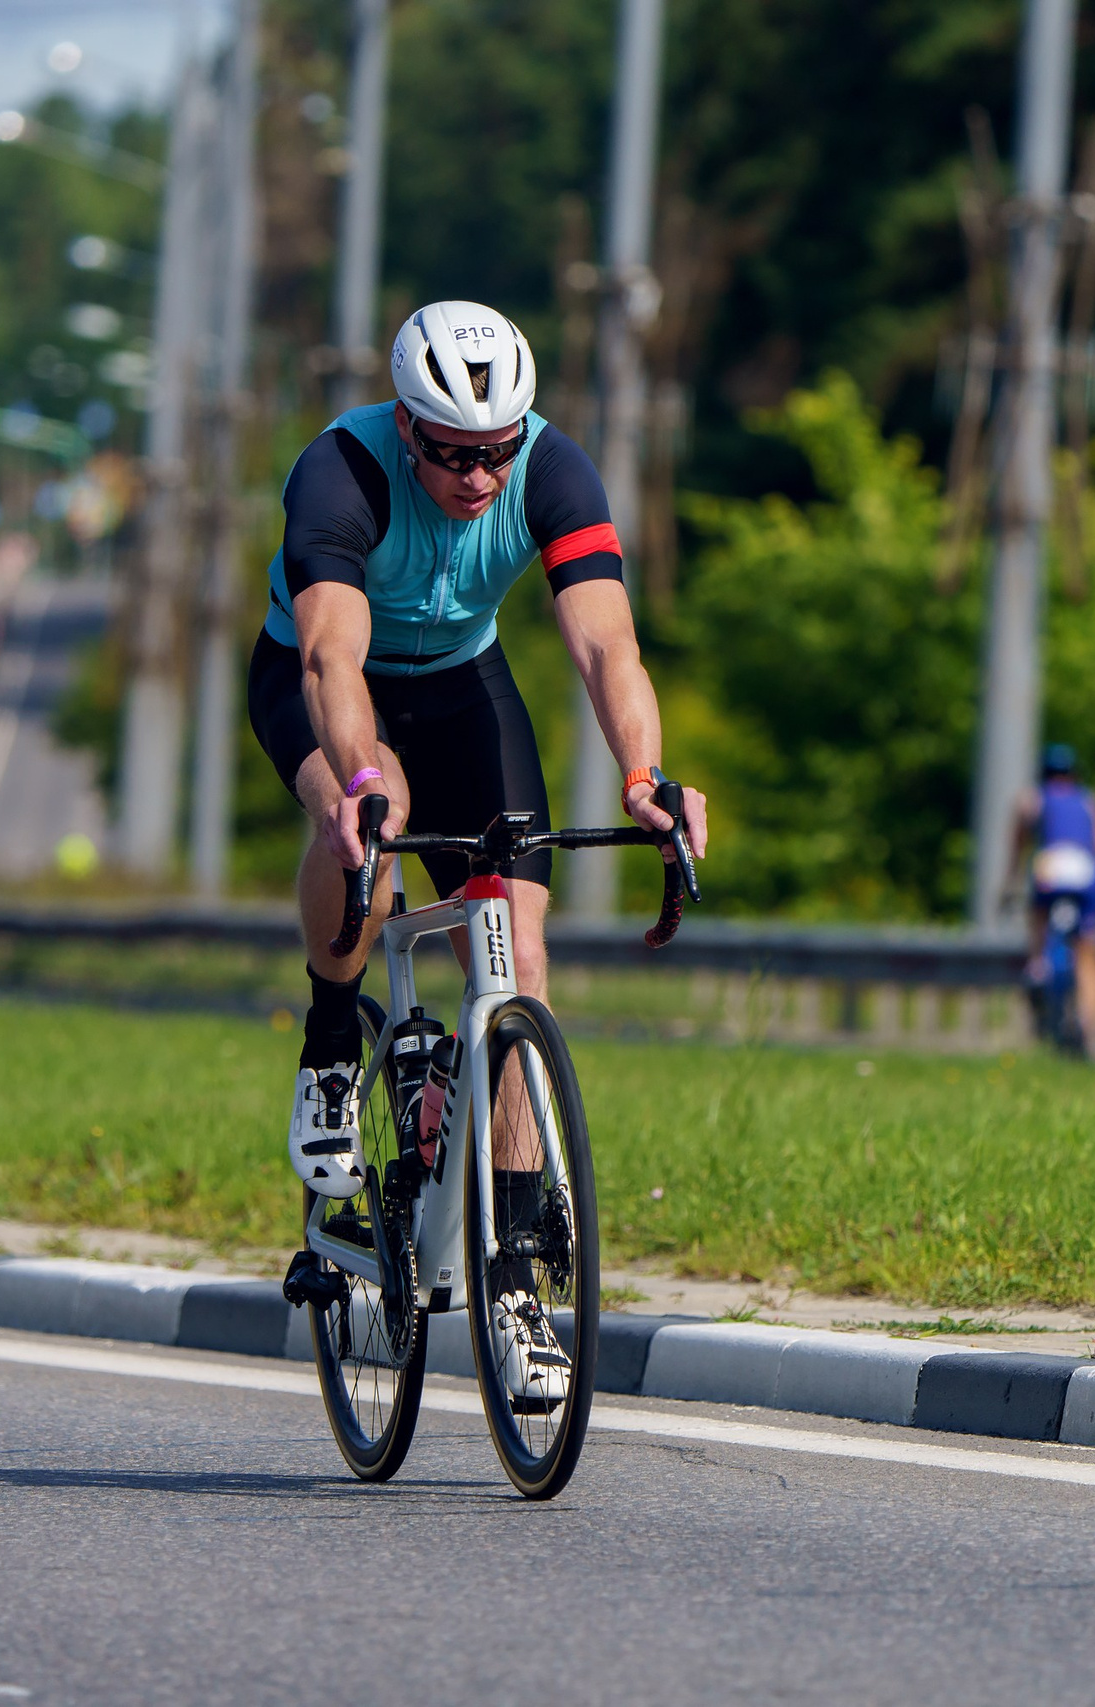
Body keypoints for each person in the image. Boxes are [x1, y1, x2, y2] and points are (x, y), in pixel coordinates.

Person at [251, 299, 709, 1401]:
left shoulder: (555, 469)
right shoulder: (339, 472)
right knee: (365, 815)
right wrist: (360, 779)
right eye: (452, 453)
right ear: (408, 430)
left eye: (494, 451)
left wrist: (643, 775)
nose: (475, 476)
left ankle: (512, 1284)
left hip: (464, 688)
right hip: (326, 686)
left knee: (517, 961)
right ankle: (328, 1042)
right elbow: (329, 657)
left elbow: (605, 643)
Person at [1011, 744, 1095, 1053]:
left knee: (1038, 915)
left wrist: (1010, 882)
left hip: (1051, 870)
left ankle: (1037, 965)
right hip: (1088, 874)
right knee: (1089, 955)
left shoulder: (1032, 799)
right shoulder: (1094, 800)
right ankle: (1088, 1028)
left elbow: (1018, 846)